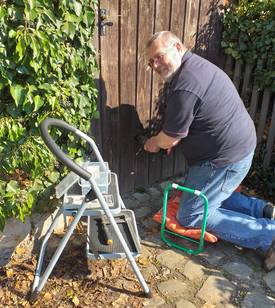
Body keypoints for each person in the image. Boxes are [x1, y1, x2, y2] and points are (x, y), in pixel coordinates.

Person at [143, 31, 275, 271]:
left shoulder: (185, 86)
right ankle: (263, 210)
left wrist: (153, 143)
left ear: (178, 46)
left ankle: (268, 235)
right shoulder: (196, 66)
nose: (155, 65)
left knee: (190, 215)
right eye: (151, 62)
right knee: (214, 193)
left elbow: (168, 139)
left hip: (224, 159)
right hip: (239, 148)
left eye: (159, 57)